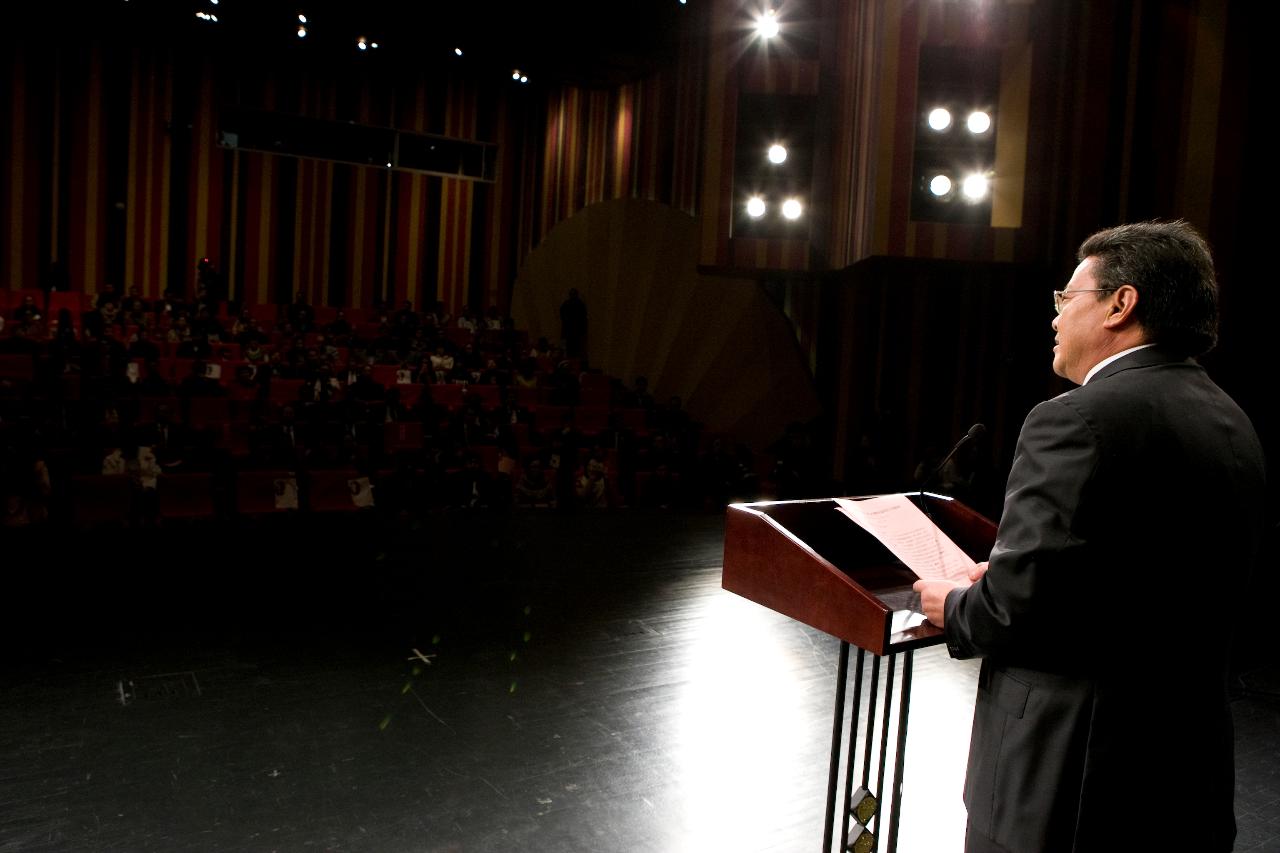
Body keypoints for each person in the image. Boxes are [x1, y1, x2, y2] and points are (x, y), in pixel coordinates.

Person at [912, 220, 1267, 853]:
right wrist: (1007, 577)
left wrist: (957, 603)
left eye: (1066, 298)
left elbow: (1012, 611)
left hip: (1068, 779)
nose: (1054, 317)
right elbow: (1138, 577)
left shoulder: (1073, 419)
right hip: (1185, 773)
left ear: (1120, 304)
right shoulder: (1228, 417)